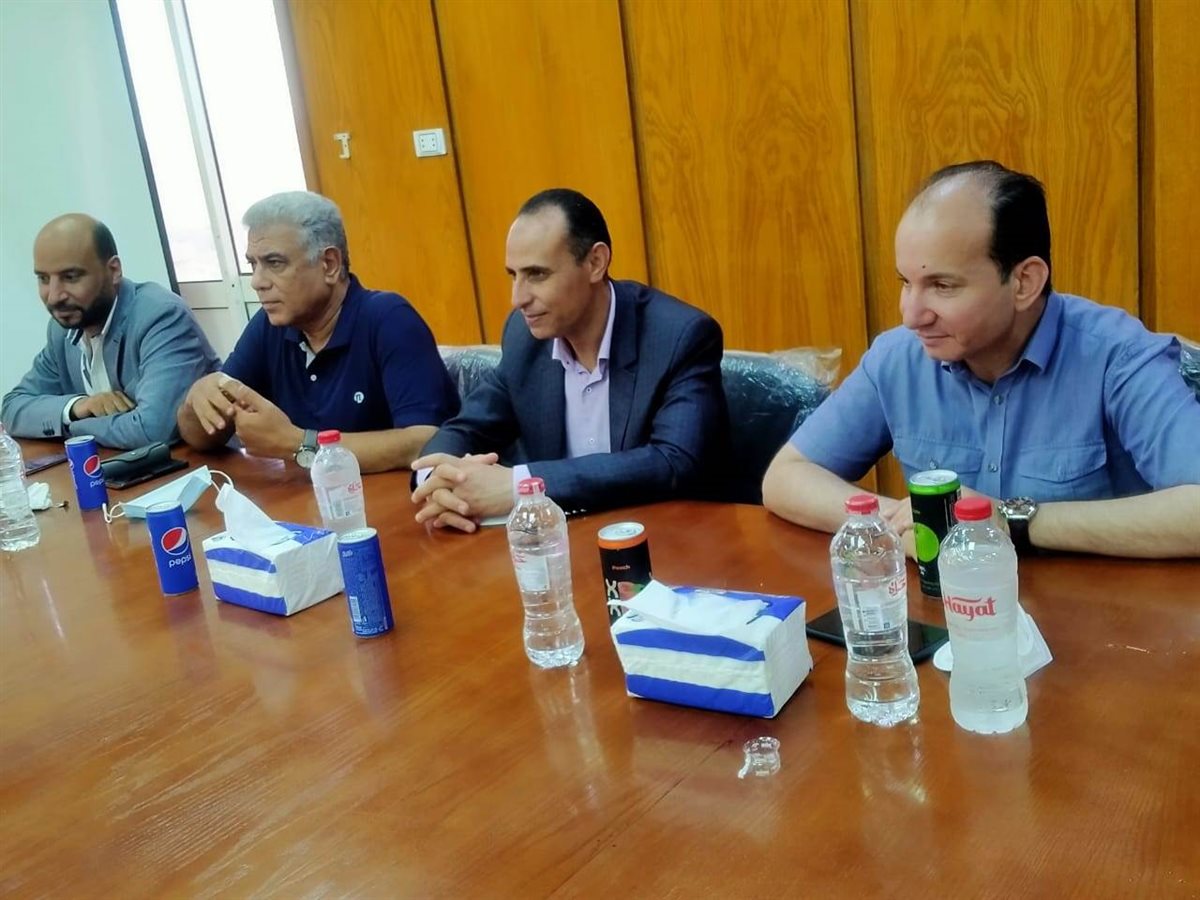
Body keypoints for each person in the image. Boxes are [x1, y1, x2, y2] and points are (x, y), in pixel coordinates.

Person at [764, 160, 1200, 559]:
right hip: (948, 609)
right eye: (906, 283)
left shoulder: (1118, 356)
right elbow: (787, 476)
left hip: (1099, 609)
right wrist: (909, 520)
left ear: (1024, 282)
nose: (912, 315)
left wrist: (1013, 520)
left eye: (942, 286)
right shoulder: (899, 358)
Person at [411, 188, 729, 532]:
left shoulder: (678, 336)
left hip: (668, 537)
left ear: (595, 263)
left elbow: (674, 462)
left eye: (537, 274)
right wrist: (439, 482)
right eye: (513, 275)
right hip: (565, 539)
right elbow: (467, 428)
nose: (518, 298)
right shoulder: (524, 337)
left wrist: (520, 485)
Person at [177, 191, 459, 474]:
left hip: (392, 496)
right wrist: (196, 400)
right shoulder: (269, 325)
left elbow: (425, 441)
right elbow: (203, 437)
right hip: (307, 496)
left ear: (330, 265)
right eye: (253, 264)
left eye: (275, 263)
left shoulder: (389, 318)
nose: (257, 282)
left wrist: (298, 444)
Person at [2, 214, 220, 449]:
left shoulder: (160, 316)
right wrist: (78, 406)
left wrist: (72, 426)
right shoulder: (61, 331)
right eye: (44, 279)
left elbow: (153, 430)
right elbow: (12, 408)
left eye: (70, 277)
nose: (54, 296)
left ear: (114, 270)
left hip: (199, 466)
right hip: (118, 465)